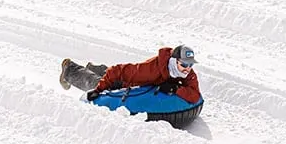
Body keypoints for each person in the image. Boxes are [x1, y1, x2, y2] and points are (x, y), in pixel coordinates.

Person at [59, 44, 200, 106]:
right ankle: (69, 69)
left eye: (190, 65)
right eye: (184, 65)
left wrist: (176, 89)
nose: (187, 69)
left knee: (110, 76)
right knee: (98, 83)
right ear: (175, 61)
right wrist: (98, 90)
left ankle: (94, 68)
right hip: (128, 84)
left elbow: (195, 95)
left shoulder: (187, 73)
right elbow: (117, 71)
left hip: (139, 84)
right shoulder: (149, 70)